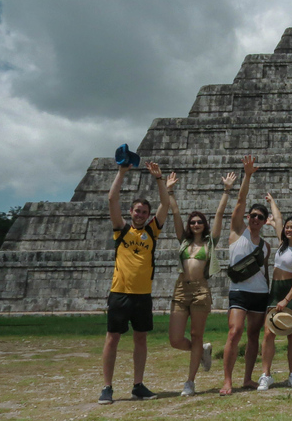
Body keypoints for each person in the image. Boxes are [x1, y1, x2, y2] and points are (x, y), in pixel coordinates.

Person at [98, 161, 172, 405]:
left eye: (144, 212)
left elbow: (165, 204)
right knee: (113, 338)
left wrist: (159, 179)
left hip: (142, 294)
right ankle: (107, 387)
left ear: (148, 216)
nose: (140, 215)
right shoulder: (121, 230)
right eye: (137, 211)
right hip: (119, 292)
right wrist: (121, 172)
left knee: (141, 339)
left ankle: (138, 385)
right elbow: (112, 200)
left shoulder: (152, 231)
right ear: (131, 212)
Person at [167, 171, 238, 397]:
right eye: (193, 222)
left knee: (197, 334)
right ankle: (203, 351)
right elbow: (175, 213)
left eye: (199, 222)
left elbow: (219, 214)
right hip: (181, 289)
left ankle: (190, 381)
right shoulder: (184, 240)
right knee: (175, 339)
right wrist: (170, 191)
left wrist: (226, 190)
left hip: (200, 290)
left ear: (203, 225)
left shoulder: (210, 242)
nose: (196, 224)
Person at [220, 155, 271, 396]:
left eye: (260, 217)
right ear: (247, 217)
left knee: (253, 336)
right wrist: (247, 175)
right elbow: (240, 200)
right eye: (253, 215)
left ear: (265, 221)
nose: (255, 219)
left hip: (260, 292)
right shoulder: (237, 232)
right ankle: (227, 380)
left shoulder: (267, 245)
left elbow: (266, 271)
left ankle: (248, 378)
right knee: (235, 331)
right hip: (239, 291)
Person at [257, 193, 292, 391]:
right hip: (275, 290)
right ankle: (266, 374)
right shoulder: (281, 244)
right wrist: (271, 202)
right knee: (269, 333)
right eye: (287, 227)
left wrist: (287, 299)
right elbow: (278, 218)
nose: (288, 229)